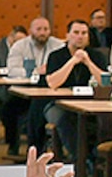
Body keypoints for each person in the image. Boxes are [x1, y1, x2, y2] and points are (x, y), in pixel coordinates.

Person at [40, 19, 103, 159]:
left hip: (88, 104)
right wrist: (72, 61)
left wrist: (88, 63)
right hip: (58, 104)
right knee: (66, 120)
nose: (80, 36)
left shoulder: (96, 55)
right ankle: (82, 161)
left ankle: (96, 159)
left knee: (106, 121)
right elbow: (53, 83)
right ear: (67, 35)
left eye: (84, 33)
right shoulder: (56, 56)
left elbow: (105, 83)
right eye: (76, 33)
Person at [2, 18, 60, 154]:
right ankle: (13, 146)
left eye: (46, 29)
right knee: (7, 108)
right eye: (38, 29)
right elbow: (12, 70)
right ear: (30, 31)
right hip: (23, 90)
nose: (42, 33)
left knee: (38, 110)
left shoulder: (58, 45)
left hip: (48, 91)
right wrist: (35, 72)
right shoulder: (19, 46)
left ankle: (38, 149)